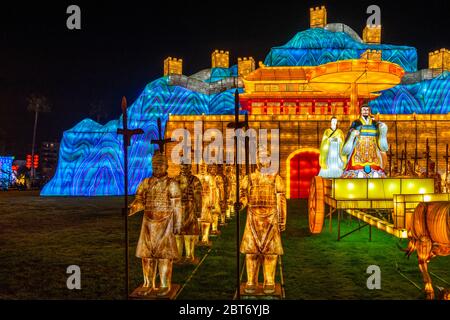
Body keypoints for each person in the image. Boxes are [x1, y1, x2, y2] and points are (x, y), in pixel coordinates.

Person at [128, 152, 182, 297]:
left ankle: (164, 284)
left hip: (166, 223)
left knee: (164, 256)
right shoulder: (146, 182)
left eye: (160, 165)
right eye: (155, 165)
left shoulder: (172, 184)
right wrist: (132, 208)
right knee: (147, 256)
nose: (157, 168)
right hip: (148, 223)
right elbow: (139, 200)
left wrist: (178, 223)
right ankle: (147, 284)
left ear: (166, 166)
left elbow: (177, 205)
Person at [240, 148, 287, 295]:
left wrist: (282, 219)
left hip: (271, 217)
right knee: (251, 252)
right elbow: (243, 196)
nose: (263, 160)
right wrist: (240, 203)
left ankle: (269, 280)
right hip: (253, 217)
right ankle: (251, 281)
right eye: (260, 157)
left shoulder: (276, 178)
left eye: (266, 157)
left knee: (270, 253)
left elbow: (281, 200)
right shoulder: (249, 178)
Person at [342, 105, 388, 178]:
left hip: (372, 146)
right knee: (356, 165)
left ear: (369, 111)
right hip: (359, 146)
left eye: (367, 110)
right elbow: (351, 130)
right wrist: (354, 132)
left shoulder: (374, 122)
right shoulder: (356, 122)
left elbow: (379, 126)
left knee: (375, 166)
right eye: (364, 110)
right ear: (361, 111)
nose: (365, 111)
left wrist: (382, 127)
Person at [175, 162, 202, 263]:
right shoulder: (175, 180)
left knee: (189, 233)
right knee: (177, 233)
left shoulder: (195, 180)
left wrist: (199, 210)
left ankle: (189, 255)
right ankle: (177, 255)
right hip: (177, 209)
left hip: (190, 208)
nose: (183, 168)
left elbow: (198, 196)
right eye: (181, 166)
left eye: (186, 166)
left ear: (190, 167)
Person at [196, 162, 218, 245]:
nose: (202, 168)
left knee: (206, 220)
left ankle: (205, 238)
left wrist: (213, 202)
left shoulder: (209, 178)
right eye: (201, 166)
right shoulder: (196, 177)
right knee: (197, 220)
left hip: (206, 200)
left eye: (204, 166)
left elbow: (213, 190)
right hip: (197, 200)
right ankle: (196, 239)